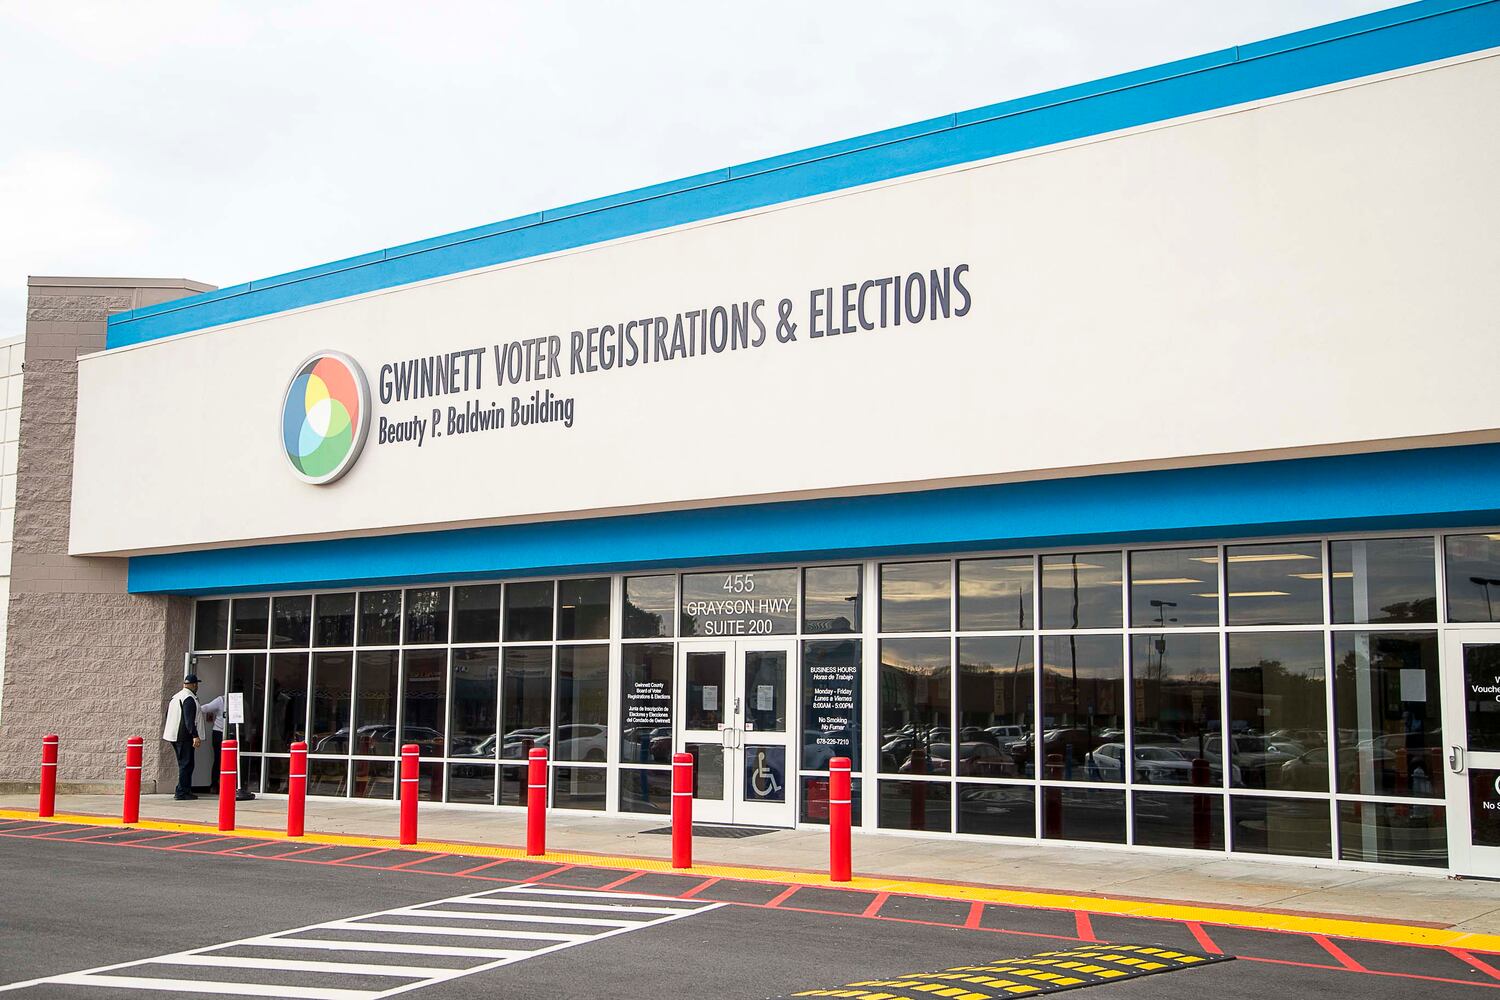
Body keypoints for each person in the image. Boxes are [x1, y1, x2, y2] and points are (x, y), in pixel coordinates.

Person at [162, 674, 202, 800]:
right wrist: (195, 735)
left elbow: (167, 715)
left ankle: (183, 789)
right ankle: (182, 792)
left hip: (173, 735)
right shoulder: (188, 698)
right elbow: (189, 720)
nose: (197, 687)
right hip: (184, 736)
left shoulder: (175, 697)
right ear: (194, 685)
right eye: (196, 684)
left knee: (183, 764)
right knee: (187, 764)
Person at [199, 693, 228, 794]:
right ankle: (215, 784)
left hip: (232, 733)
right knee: (219, 759)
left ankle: (228, 785)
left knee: (230, 761)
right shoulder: (221, 700)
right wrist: (194, 708)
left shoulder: (240, 702)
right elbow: (206, 708)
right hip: (219, 732)